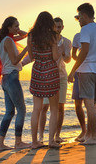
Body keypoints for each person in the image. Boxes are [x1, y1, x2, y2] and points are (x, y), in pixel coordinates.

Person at [68, 3, 96, 145]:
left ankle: (94, 137)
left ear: (85, 15)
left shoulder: (86, 29)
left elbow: (85, 50)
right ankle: (91, 135)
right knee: (92, 105)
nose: (78, 20)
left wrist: (73, 70)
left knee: (89, 105)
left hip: (87, 70)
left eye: (79, 16)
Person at [0, 16, 31, 152]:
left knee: (9, 112)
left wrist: (21, 31)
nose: (17, 28)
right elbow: (15, 60)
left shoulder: (5, 39)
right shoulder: (8, 40)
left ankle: (0, 144)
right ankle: (18, 142)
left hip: (6, 78)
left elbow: (27, 35)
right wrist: (27, 48)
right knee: (22, 110)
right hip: (12, 78)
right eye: (15, 26)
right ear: (8, 27)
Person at [28, 11, 61, 149]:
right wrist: (59, 49)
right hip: (51, 72)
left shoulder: (31, 36)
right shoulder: (53, 37)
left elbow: (31, 56)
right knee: (54, 109)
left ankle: (35, 142)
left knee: (37, 109)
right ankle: (51, 141)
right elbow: (54, 57)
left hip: (37, 72)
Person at [38, 17, 71, 143]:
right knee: (44, 107)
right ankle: (41, 137)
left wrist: (63, 52)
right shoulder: (47, 41)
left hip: (61, 76)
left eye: (59, 26)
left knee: (60, 107)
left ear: (62, 27)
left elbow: (68, 60)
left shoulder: (67, 42)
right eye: (55, 26)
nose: (57, 29)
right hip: (48, 76)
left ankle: (57, 136)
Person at [71, 32, 86, 142]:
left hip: (90, 70)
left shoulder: (95, 33)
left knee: (90, 102)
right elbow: (73, 55)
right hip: (78, 69)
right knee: (77, 103)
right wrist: (81, 60)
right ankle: (84, 130)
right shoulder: (77, 36)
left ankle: (90, 131)